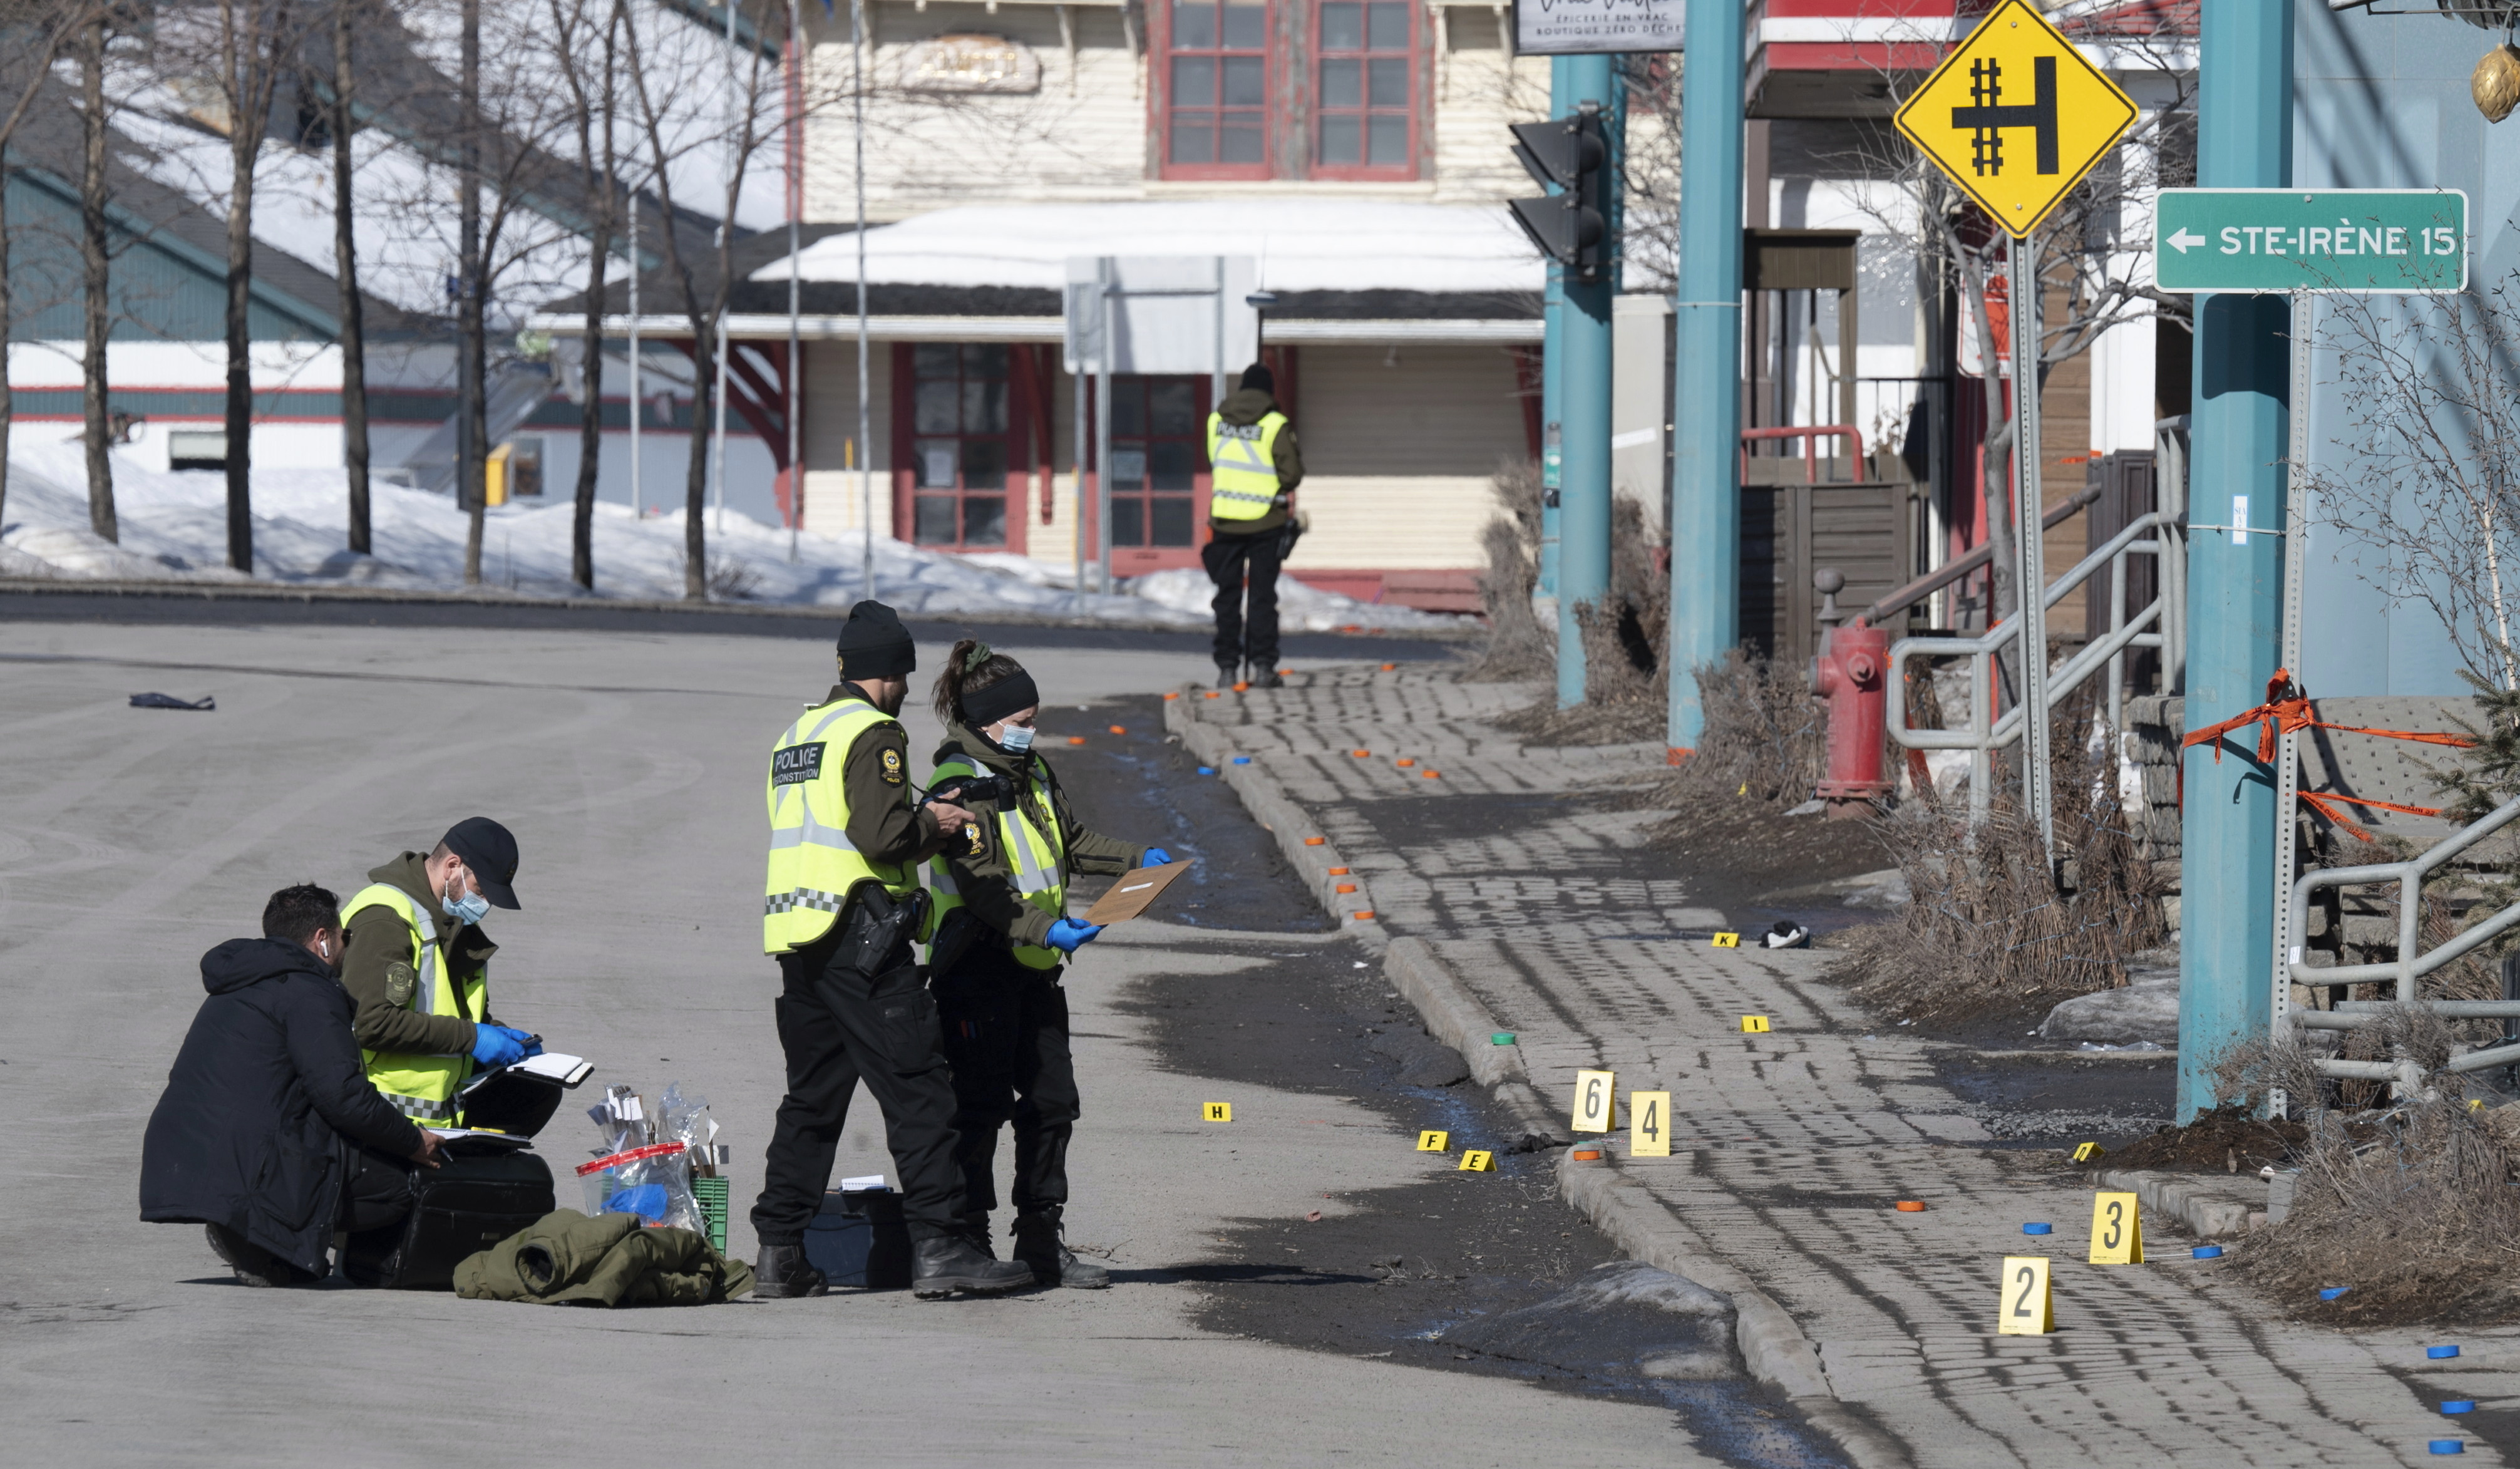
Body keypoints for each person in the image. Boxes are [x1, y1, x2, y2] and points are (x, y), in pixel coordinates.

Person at [751, 600, 1037, 1301]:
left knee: (812, 1103)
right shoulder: (873, 731)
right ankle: (942, 1248)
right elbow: (880, 837)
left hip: (798, 940)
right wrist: (935, 823)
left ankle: (779, 1255)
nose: (907, 691)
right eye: (905, 678)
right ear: (892, 674)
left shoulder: (798, 734)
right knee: (918, 1090)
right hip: (862, 936)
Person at [923, 642, 1171, 1289]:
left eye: (1035, 716)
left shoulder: (1028, 768)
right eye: (1022, 718)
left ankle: (1039, 1237)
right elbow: (980, 887)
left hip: (1034, 965)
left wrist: (1135, 858)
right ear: (985, 719)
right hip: (977, 965)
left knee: (1052, 1102)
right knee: (978, 1106)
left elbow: (1070, 840)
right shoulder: (958, 781)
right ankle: (969, 1244)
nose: (1032, 729)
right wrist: (1049, 929)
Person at [141, 884, 445, 1287]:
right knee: (396, 1186)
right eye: (344, 938)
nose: (346, 947)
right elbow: (342, 1096)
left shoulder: (241, 981)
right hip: (241, 1159)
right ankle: (263, 1244)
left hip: (186, 1150)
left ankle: (255, 1231)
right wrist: (412, 1142)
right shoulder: (309, 992)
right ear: (322, 939)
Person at [338, 817, 541, 1126]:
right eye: (480, 890)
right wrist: (473, 1037)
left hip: (430, 1128)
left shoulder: (451, 926)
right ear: (452, 867)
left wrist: (498, 1033)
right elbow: (371, 1023)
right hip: (375, 1123)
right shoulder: (386, 919)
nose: (485, 905)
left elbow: (444, 1011)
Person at [1203, 360, 1304, 689]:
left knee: (1227, 597)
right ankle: (1263, 668)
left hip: (1225, 522)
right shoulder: (1276, 424)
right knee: (1262, 597)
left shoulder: (1216, 420)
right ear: (1269, 392)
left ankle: (1228, 669)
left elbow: (1215, 461)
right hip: (1265, 523)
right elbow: (1291, 476)